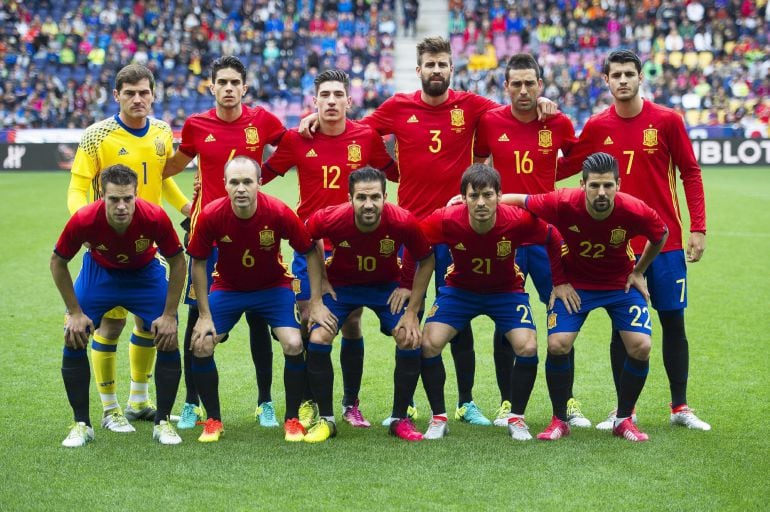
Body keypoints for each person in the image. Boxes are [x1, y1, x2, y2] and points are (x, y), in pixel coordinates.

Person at [302, 36, 556, 426]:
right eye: (430, 65)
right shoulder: (398, 107)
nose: (436, 70)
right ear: (418, 70)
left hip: (461, 229)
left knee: (460, 315)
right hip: (412, 231)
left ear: (451, 69)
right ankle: (413, 403)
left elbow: (512, 112)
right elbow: (354, 131)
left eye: (443, 64)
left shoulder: (471, 105)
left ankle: (466, 401)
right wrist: (316, 120)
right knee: (415, 318)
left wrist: (538, 102)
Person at [557, 50, 710, 431]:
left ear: (641, 77)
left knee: (673, 322)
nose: (622, 80)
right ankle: (625, 411)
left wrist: (698, 227)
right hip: (619, 246)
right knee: (620, 327)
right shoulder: (595, 126)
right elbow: (562, 166)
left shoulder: (667, 121)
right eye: (616, 75)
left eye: (629, 74)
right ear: (606, 80)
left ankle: (680, 407)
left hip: (666, 243)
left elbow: (690, 172)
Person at [390, 163, 569, 441]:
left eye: (487, 195)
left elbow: (552, 236)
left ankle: (517, 419)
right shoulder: (446, 219)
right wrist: (405, 286)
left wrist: (559, 281)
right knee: (428, 344)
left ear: (499, 195)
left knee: (528, 345)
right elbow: (415, 243)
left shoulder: (517, 220)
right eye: (474, 196)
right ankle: (439, 418)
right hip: (459, 291)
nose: (481, 202)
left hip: (506, 291)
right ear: (464, 198)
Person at [263, 69, 398, 428]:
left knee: (351, 322)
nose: (332, 101)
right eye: (326, 95)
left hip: (354, 247)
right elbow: (261, 176)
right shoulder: (297, 139)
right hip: (310, 246)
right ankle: (309, 401)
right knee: (309, 320)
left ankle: (350, 403)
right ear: (315, 101)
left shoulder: (366, 137)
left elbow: (399, 173)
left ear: (349, 101)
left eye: (339, 95)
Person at [503, 152, 668, 442]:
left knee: (641, 346)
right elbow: (520, 200)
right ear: (582, 184)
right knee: (557, 345)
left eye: (608, 185)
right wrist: (467, 202)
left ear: (618, 184)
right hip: (577, 285)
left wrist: (640, 271)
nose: (601, 192)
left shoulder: (635, 209)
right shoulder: (563, 201)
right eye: (594, 186)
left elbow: (660, 234)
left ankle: (623, 419)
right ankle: (559, 420)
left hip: (619, 284)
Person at [66, 64, 191, 433]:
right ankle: (110, 409)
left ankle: (139, 400)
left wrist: (184, 206)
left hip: (146, 242)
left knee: (148, 323)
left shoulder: (163, 132)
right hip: (106, 243)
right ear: (116, 95)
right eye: (130, 92)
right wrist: (84, 222)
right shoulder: (96, 135)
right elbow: (77, 187)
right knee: (111, 322)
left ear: (153, 94)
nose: (138, 99)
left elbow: (162, 180)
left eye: (144, 92)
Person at [163, 56, 286, 429]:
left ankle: (264, 401)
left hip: (253, 232)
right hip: (206, 232)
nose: (229, 88)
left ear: (244, 88)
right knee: (195, 320)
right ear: (212, 87)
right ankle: (191, 403)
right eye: (223, 83)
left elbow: (292, 145)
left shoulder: (262, 120)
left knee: (258, 318)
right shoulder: (197, 125)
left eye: (236, 82)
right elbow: (170, 167)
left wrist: (265, 174)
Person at [473, 53, 590, 428]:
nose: (524, 90)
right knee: (505, 320)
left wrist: (552, 178)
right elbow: (478, 166)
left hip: (546, 235)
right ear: (505, 87)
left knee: (563, 314)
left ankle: (567, 402)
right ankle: (508, 402)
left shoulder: (557, 121)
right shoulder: (490, 121)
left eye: (530, 83)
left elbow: (578, 159)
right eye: (516, 84)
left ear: (541, 85)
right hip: (503, 233)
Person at [186, 156, 336, 443]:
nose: (241, 188)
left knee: (293, 343)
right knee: (201, 344)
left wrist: (315, 300)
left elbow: (309, 250)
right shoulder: (211, 214)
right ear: (225, 185)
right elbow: (199, 263)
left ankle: (292, 419)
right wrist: (204, 315)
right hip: (228, 288)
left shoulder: (278, 212)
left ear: (259, 183)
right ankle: (214, 421)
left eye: (247, 182)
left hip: (272, 288)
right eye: (234, 182)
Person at [52, 164, 186, 447]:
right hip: (100, 274)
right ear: (102, 196)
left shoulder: (154, 217)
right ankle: (82, 424)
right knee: (73, 335)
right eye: (114, 199)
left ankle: (162, 422)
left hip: (144, 274)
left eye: (128, 198)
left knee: (167, 335)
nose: (122, 206)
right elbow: (58, 262)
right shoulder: (85, 219)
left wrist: (170, 314)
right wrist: (74, 312)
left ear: (137, 194)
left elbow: (177, 261)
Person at [304, 167, 435, 442]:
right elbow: (308, 239)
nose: (368, 204)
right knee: (318, 335)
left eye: (375, 197)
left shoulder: (402, 221)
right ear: (349, 198)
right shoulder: (332, 217)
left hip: (385, 288)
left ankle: (400, 419)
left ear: (385, 196)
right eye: (361, 197)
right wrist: (317, 295)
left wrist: (411, 305)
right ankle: (328, 420)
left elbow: (427, 258)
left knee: (409, 338)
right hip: (342, 287)